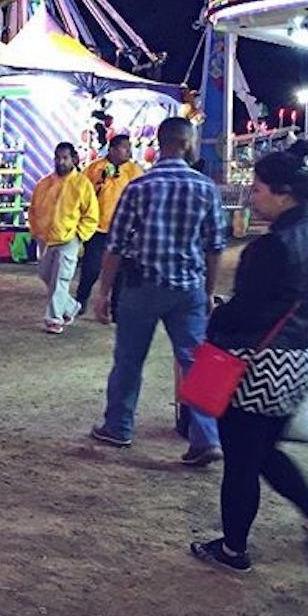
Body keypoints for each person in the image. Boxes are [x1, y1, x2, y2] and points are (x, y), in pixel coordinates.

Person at [191, 148, 308, 570]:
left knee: (243, 461)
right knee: (265, 450)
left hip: (260, 364)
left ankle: (233, 550)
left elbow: (246, 312)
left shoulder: (271, 247)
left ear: (284, 194)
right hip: (301, 357)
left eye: (259, 188)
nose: (252, 195)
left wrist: (218, 315)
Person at [90, 116, 227, 465]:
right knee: (197, 362)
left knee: (129, 359)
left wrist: (103, 291)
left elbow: (115, 245)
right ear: (185, 143)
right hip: (189, 288)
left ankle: (118, 426)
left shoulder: (139, 186)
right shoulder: (205, 188)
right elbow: (215, 246)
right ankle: (207, 437)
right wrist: (208, 291)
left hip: (142, 286)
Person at [27, 142, 99, 333]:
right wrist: (35, 231)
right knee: (45, 275)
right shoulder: (43, 184)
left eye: (65, 158)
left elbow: (91, 215)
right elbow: (33, 210)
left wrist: (79, 235)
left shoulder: (83, 185)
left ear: (74, 159)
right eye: (58, 158)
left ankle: (54, 318)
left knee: (61, 280)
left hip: (68, 239)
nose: (61, 162)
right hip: (45, 239)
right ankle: (71, 306)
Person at [75, 133, 143, 315]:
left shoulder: (135, 171)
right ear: (112, 150)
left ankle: (116, 308)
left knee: (120, 272)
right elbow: (81, 193)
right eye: (125, 148)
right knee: (91, 268)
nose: (129, 151)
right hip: (97, 229)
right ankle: (80, 300)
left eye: (129, 148)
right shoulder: (94, 168)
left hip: (123, 230)